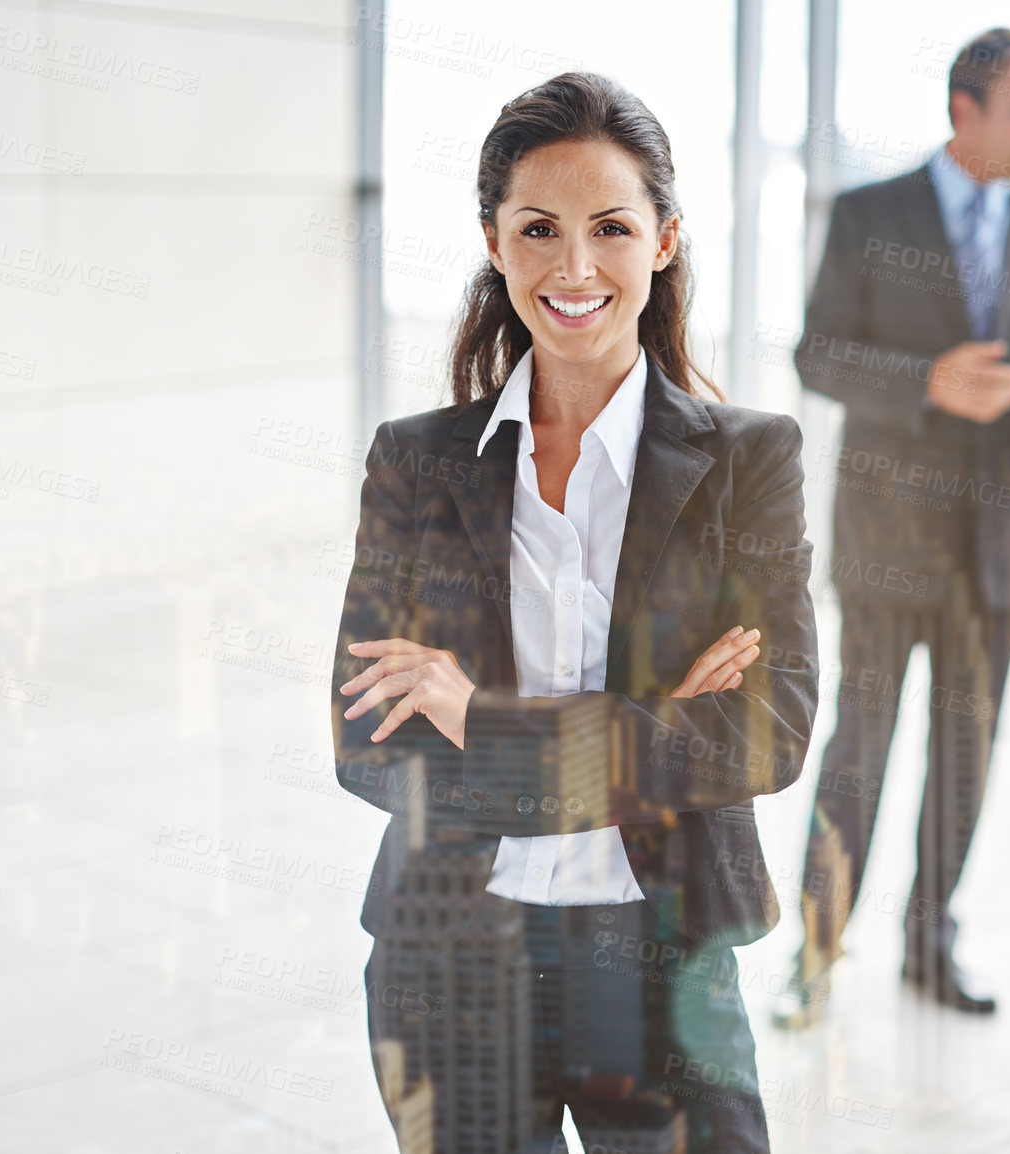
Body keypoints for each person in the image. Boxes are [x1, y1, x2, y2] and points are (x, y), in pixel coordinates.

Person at [329, 72, 819, 1151]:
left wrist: (481, 717)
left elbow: (766, 732)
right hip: (449, 960)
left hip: (657, 957)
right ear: (495, 243)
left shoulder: (748, 461)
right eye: (538, 229)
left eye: (611, 227)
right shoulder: (417, 463)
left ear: (666, 240)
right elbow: (367, 743)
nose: (574, 266)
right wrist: (646, 729)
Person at [776, 28, 1010, 1026]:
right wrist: (925, 383)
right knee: (860, 749)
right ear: (963, 109)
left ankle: (930, 943)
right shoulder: (871, 214)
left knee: (964, 758)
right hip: (886, 543)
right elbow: (815, 355)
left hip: (996, 552)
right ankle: (816, 949)